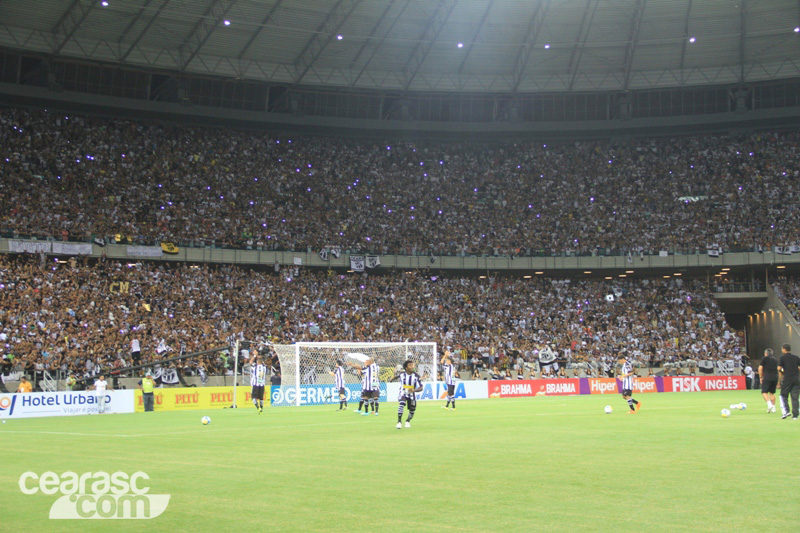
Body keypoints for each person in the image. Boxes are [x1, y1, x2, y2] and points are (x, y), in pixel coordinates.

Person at [396, 360, 423, 429]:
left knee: (412, 411)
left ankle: (407, 421)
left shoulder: (416, 376)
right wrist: (390, 380)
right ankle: (399, 422)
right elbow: (396, 376)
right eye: (410, 365)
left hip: (412, 394)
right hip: (403, 392)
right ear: (406, 368)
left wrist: (413, 390)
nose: (412, 366)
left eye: (412, 365)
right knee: (401, 404)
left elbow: (421, 387)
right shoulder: (402, 374)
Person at [777, 343, 800, 420]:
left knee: (783, 395)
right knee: (795, 397)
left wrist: (779, 380)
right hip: (796, 379)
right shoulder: (796, 357)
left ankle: (786, 411)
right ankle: (795, 415)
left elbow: (779, 368)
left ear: (784, 349)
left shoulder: (782, 358)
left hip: (787, 379)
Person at [758, 348, 779, 413]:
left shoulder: (764, 358)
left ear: (765, 353)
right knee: (772, 393)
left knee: (764, 392)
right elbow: (778, 369)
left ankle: (769, 404)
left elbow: (760, 368)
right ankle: (773, 408)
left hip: (767, 377)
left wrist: (761, 377)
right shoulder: (775, 360)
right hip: (775, 377)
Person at [250, 350, 268, 414]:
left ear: (257, 361)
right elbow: (261, 360)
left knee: (253, 397)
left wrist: (255, 355)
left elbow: (250, 362)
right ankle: (261, 409)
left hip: (255, 384)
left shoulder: (255, 366)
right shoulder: (264, 367)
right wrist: (258, 356)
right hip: (262, 384)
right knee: (261, 398)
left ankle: (258, 408)